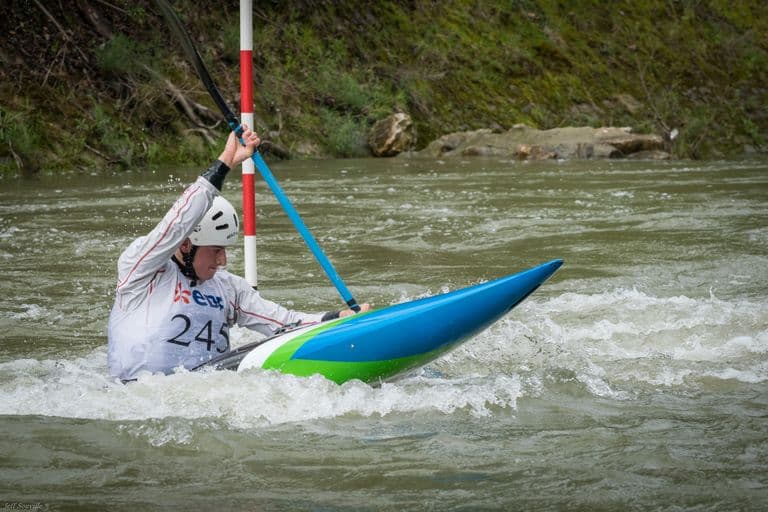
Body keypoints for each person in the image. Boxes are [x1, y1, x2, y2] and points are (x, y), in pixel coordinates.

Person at [107, 127, 369, 381]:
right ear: (186, 245)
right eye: (216, 250)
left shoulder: (229, 289)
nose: (222, 261)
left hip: (203, 391)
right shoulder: (142, 270)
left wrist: (336, 320)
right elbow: (174, 226)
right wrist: (223, 165)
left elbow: (282, 322)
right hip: (136, 393)